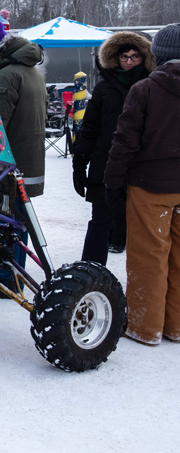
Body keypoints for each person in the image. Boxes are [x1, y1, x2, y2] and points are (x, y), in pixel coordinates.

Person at [104, 23, 180, 346]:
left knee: (148, 257)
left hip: (150, 187)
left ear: (158, 55)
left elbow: (124, 143)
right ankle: (175, 326)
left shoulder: (145, 90)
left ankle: (144, 327)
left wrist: (112, 181)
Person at [0, 21, 48, 298]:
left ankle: (5, 276)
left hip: (9, 164)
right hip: (29, 158)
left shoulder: (5, 77)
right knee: (16, 219)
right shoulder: (31, 71)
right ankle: (8, 272)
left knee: (6, 220)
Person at [73, 32, 154, 266]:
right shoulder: (104, 87)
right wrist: (79, 162)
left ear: (144, 58)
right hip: (105, 162)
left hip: (141, 165)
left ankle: (145, 286)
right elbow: (90, 126)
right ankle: (90, 274)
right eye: (124, 57)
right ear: (114, 58)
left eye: (135, 56)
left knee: (142, 228)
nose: (128, 62)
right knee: (100, 220)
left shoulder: (152, 86)